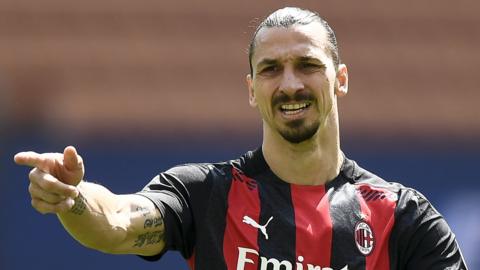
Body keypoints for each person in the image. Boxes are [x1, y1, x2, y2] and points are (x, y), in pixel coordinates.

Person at [14, 7, 467, 270]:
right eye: (271, 69)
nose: (290, 84)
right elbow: (118, 221)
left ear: (340, 79)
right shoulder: (205, 195)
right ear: (252, 89)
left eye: (307, 65)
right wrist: (72, 199)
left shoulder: (403, 218)